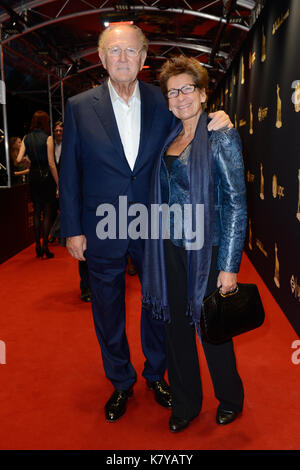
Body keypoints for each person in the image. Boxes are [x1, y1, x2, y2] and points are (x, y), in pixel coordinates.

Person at [59, 23, 233, 423]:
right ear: (102, 59)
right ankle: (121, 380)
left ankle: (156, 373)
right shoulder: (80, 105)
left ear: (143, 58)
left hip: (154, 222)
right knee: (107, 307)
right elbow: (70, 171)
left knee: (158, 303)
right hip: (102, 224)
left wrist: (216, 116)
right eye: (114, 52)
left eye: (130, 51)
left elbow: (191, 126)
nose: (122, 58)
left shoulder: (163, 101)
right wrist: (72, 228)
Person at [142, 55, 247, 433]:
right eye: (173, 92)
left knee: (212, 328)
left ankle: (230, 398)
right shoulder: (169, 137)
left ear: (203, 94)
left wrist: (229, 265)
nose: (180, 97)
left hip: (208, 249)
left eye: (188, 89)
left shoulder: (221, 136)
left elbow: (236, 203)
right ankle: (186, 402)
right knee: (176, 329)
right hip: (168, 248)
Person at [17, 111, 59, 259]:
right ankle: (46, 247)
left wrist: (29, 162)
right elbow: (51, 163)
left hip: (33, 176)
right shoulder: (48, 139)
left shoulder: (26, 138)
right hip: (46, 177)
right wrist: (58, 183)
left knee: (36, 211)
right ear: (45, 122)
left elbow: (18, 158)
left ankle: (37, 246)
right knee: (47, 211)